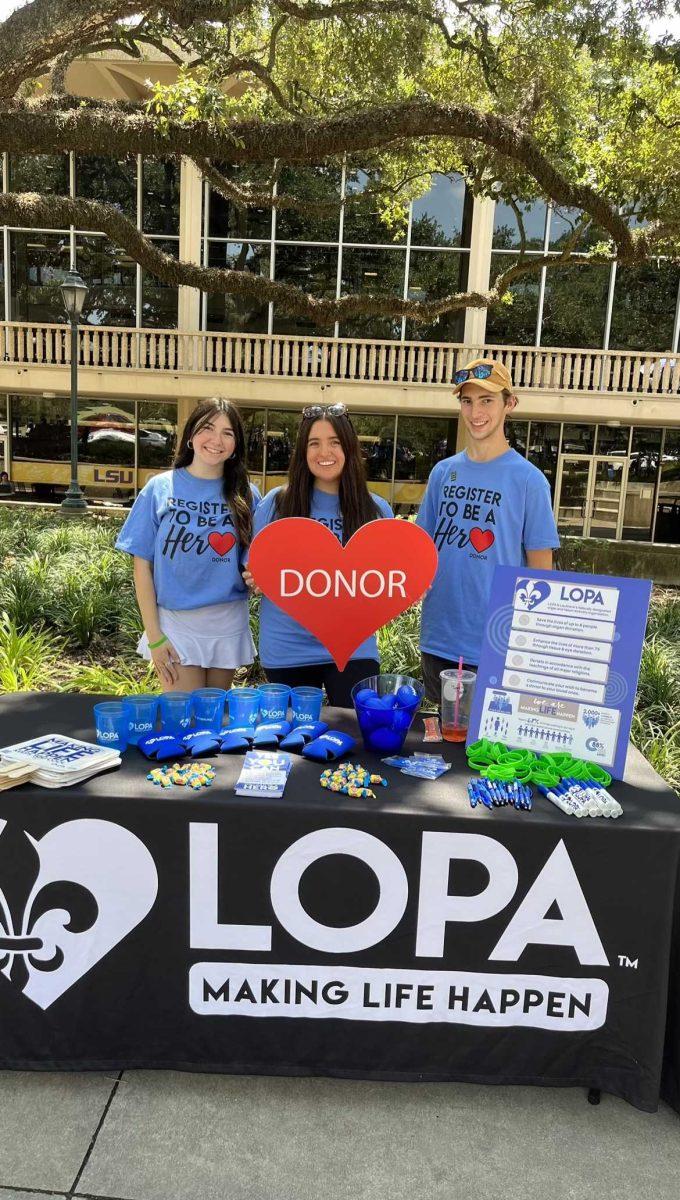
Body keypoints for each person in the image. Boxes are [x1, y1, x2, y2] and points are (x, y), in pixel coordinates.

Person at [417, 358, 560, 703]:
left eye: (487, 400)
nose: (475, 411)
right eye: (467, 401)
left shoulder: (529, 480)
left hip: (498, 645)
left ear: (509, 404)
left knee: (488, 755)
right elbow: (420, 550)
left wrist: (533, 643)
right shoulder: (442, 473)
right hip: (440, 637)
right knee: (442, 749)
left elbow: (542, 573)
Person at [244, 403, 393, 707]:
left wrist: (409, 580)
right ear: (303, 451)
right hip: (288, 648)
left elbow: (387, 578)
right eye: (314, 443)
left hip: (354, 648)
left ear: (349, 448)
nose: (324, 452)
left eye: (334, 442)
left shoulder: (376, 511)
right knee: (291, 746)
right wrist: (254, 578)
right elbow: (255, 567)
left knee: (355, 739)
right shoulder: (278, 504)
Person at [116, 397, 259, 691]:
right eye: (208, 428)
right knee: (183, 721)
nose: (216, 440)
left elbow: (254, 564)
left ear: (235, 446)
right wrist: (155, 636)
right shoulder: (160, 487)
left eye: (228, 433)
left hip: (228, 622)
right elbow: (142, 567)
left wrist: (256, 577)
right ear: (191, 435)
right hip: (175, 625)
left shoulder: (246, 493)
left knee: (212, 724)